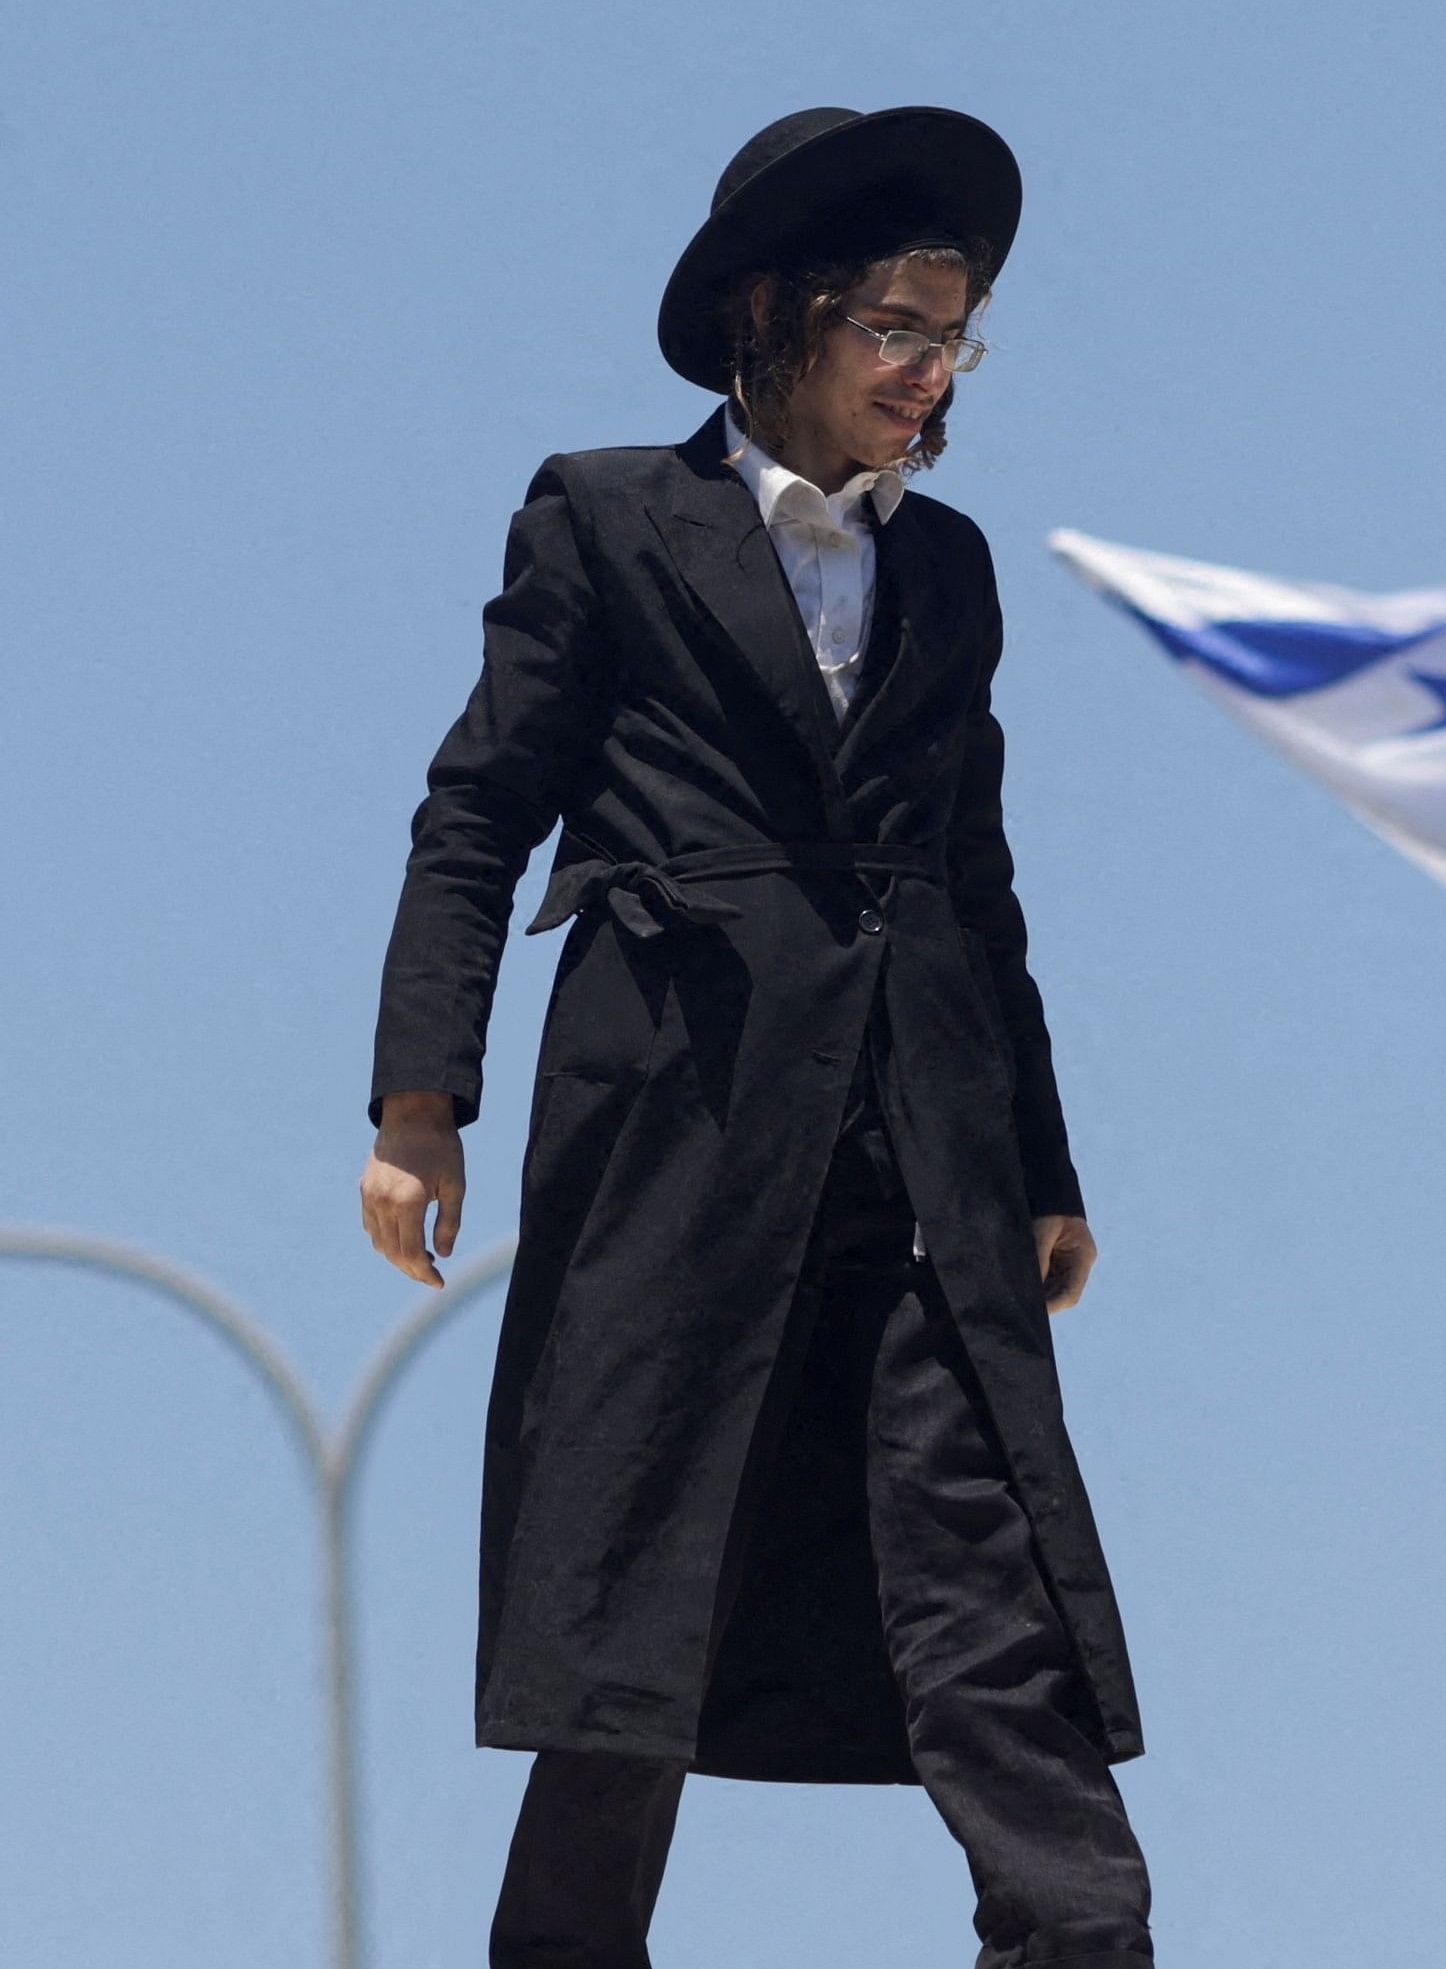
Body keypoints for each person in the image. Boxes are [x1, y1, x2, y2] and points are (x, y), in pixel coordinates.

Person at [356, 105, 1151, 1968]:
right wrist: (422, 1101)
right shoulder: (610, 516)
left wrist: (1037, 1165)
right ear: (778, 317)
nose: (931, 372)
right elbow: (478, 811)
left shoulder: (946, 570)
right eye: (897, 326)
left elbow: (978, 876)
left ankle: (1082, 1940)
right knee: (631, 1607)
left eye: (955, 336)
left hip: (914, 1152)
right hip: (679, 1137)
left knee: (994, 1590)